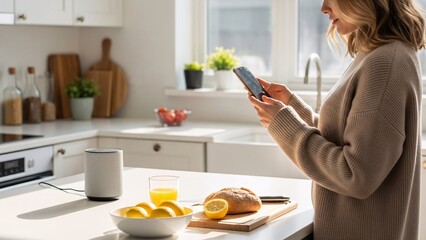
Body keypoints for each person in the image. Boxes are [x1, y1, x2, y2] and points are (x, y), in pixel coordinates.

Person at [248, 0, 425, 239]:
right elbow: (349, 135)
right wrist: (292, 107)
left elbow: (356, 175)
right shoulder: (380, 54)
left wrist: (284, 125)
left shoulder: (385, 63)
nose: (323, 8)